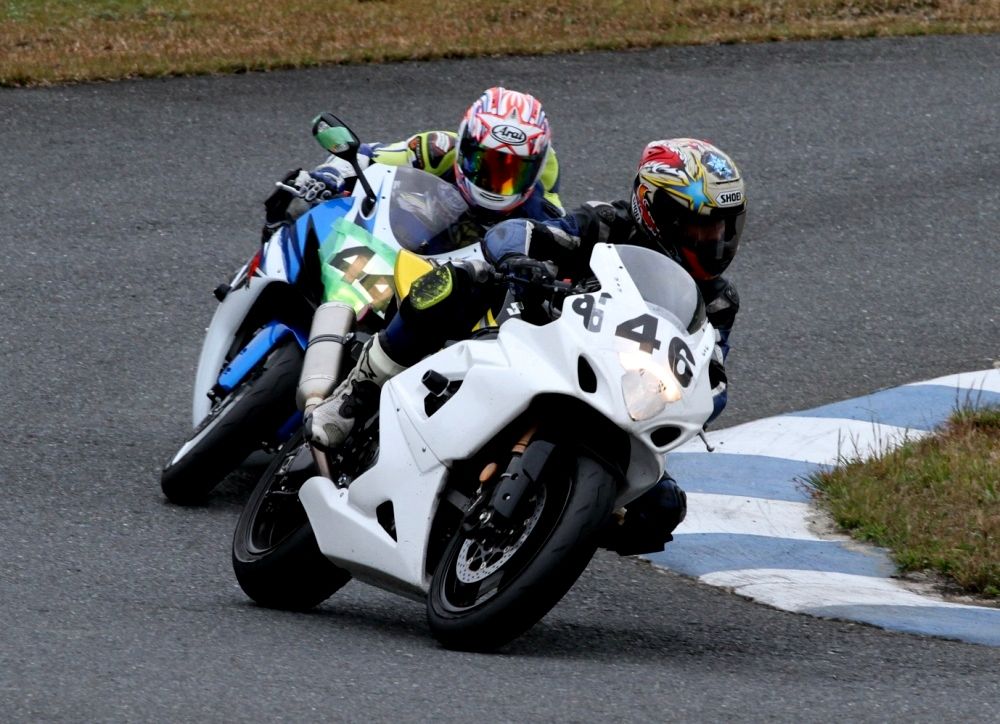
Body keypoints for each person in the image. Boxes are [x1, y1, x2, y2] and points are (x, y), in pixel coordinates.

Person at [308, 138, 748, 556]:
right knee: (458, 283)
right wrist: (521, 259)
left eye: (724, 227)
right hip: (535, 336)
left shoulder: (718, 302)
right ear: (656, 210)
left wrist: (703, 396)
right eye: (702, 226)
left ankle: (559, 522)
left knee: (663, 508)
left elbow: (711, 370)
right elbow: (521, 233)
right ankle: (357, 392)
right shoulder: (607, 223)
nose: (716, 240)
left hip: (620, 394)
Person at [262, 86, 564, 240]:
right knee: (306, 213)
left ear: (535, 170)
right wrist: (328, 176)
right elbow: (367, 155)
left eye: (511, 171)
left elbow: (570, 250)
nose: (495, 181)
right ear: (464, 145)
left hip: (471, 296)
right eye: (485, 164)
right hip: (405, 253)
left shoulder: (546, 213)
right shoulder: (436, 149)